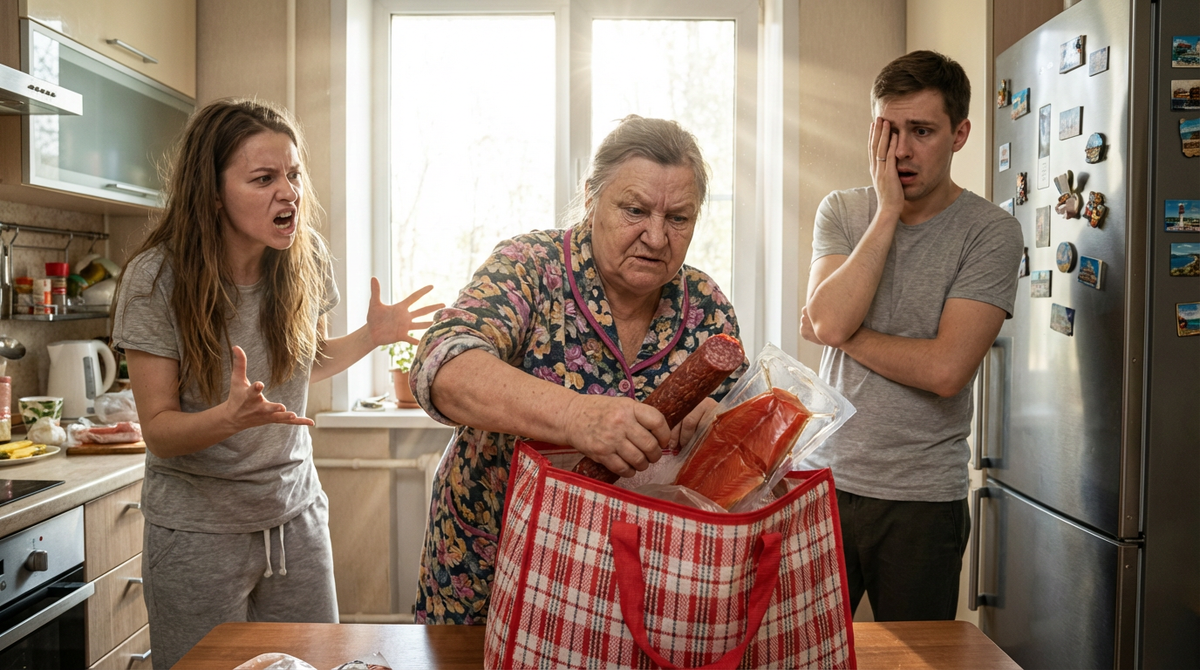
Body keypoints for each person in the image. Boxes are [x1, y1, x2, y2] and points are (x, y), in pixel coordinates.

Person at [111, 98, 441, 667]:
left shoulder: (304, 258)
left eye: (293, 174)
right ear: (213, 193)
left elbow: (303, 361)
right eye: (263, 178)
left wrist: (371, 334)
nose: (288, 192)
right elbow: (159, 430)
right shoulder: (155, 279)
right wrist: (228, 418)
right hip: (196, 534)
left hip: (295, 519)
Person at [412, 115, 746, 624]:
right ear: (591, 197)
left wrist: (716, 432)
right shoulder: (530, 266)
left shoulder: (707, 306)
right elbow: (442, 366)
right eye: (635, 210)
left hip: (634, 592)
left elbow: (741, 460)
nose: (656, 236)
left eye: (678, 218)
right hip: (491, 573)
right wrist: (576, 417)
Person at [799, 51, 1023, 621]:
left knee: (916, 658)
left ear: (959, 134)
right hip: (823, 482)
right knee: (806, 654)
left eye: (921, 131)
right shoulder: (843, 210)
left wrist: (844, 336)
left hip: (922, 501)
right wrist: (886, 214)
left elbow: (946, 371)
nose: (899, 150)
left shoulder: (992, 232)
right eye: (888, 130)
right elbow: (828, 321)